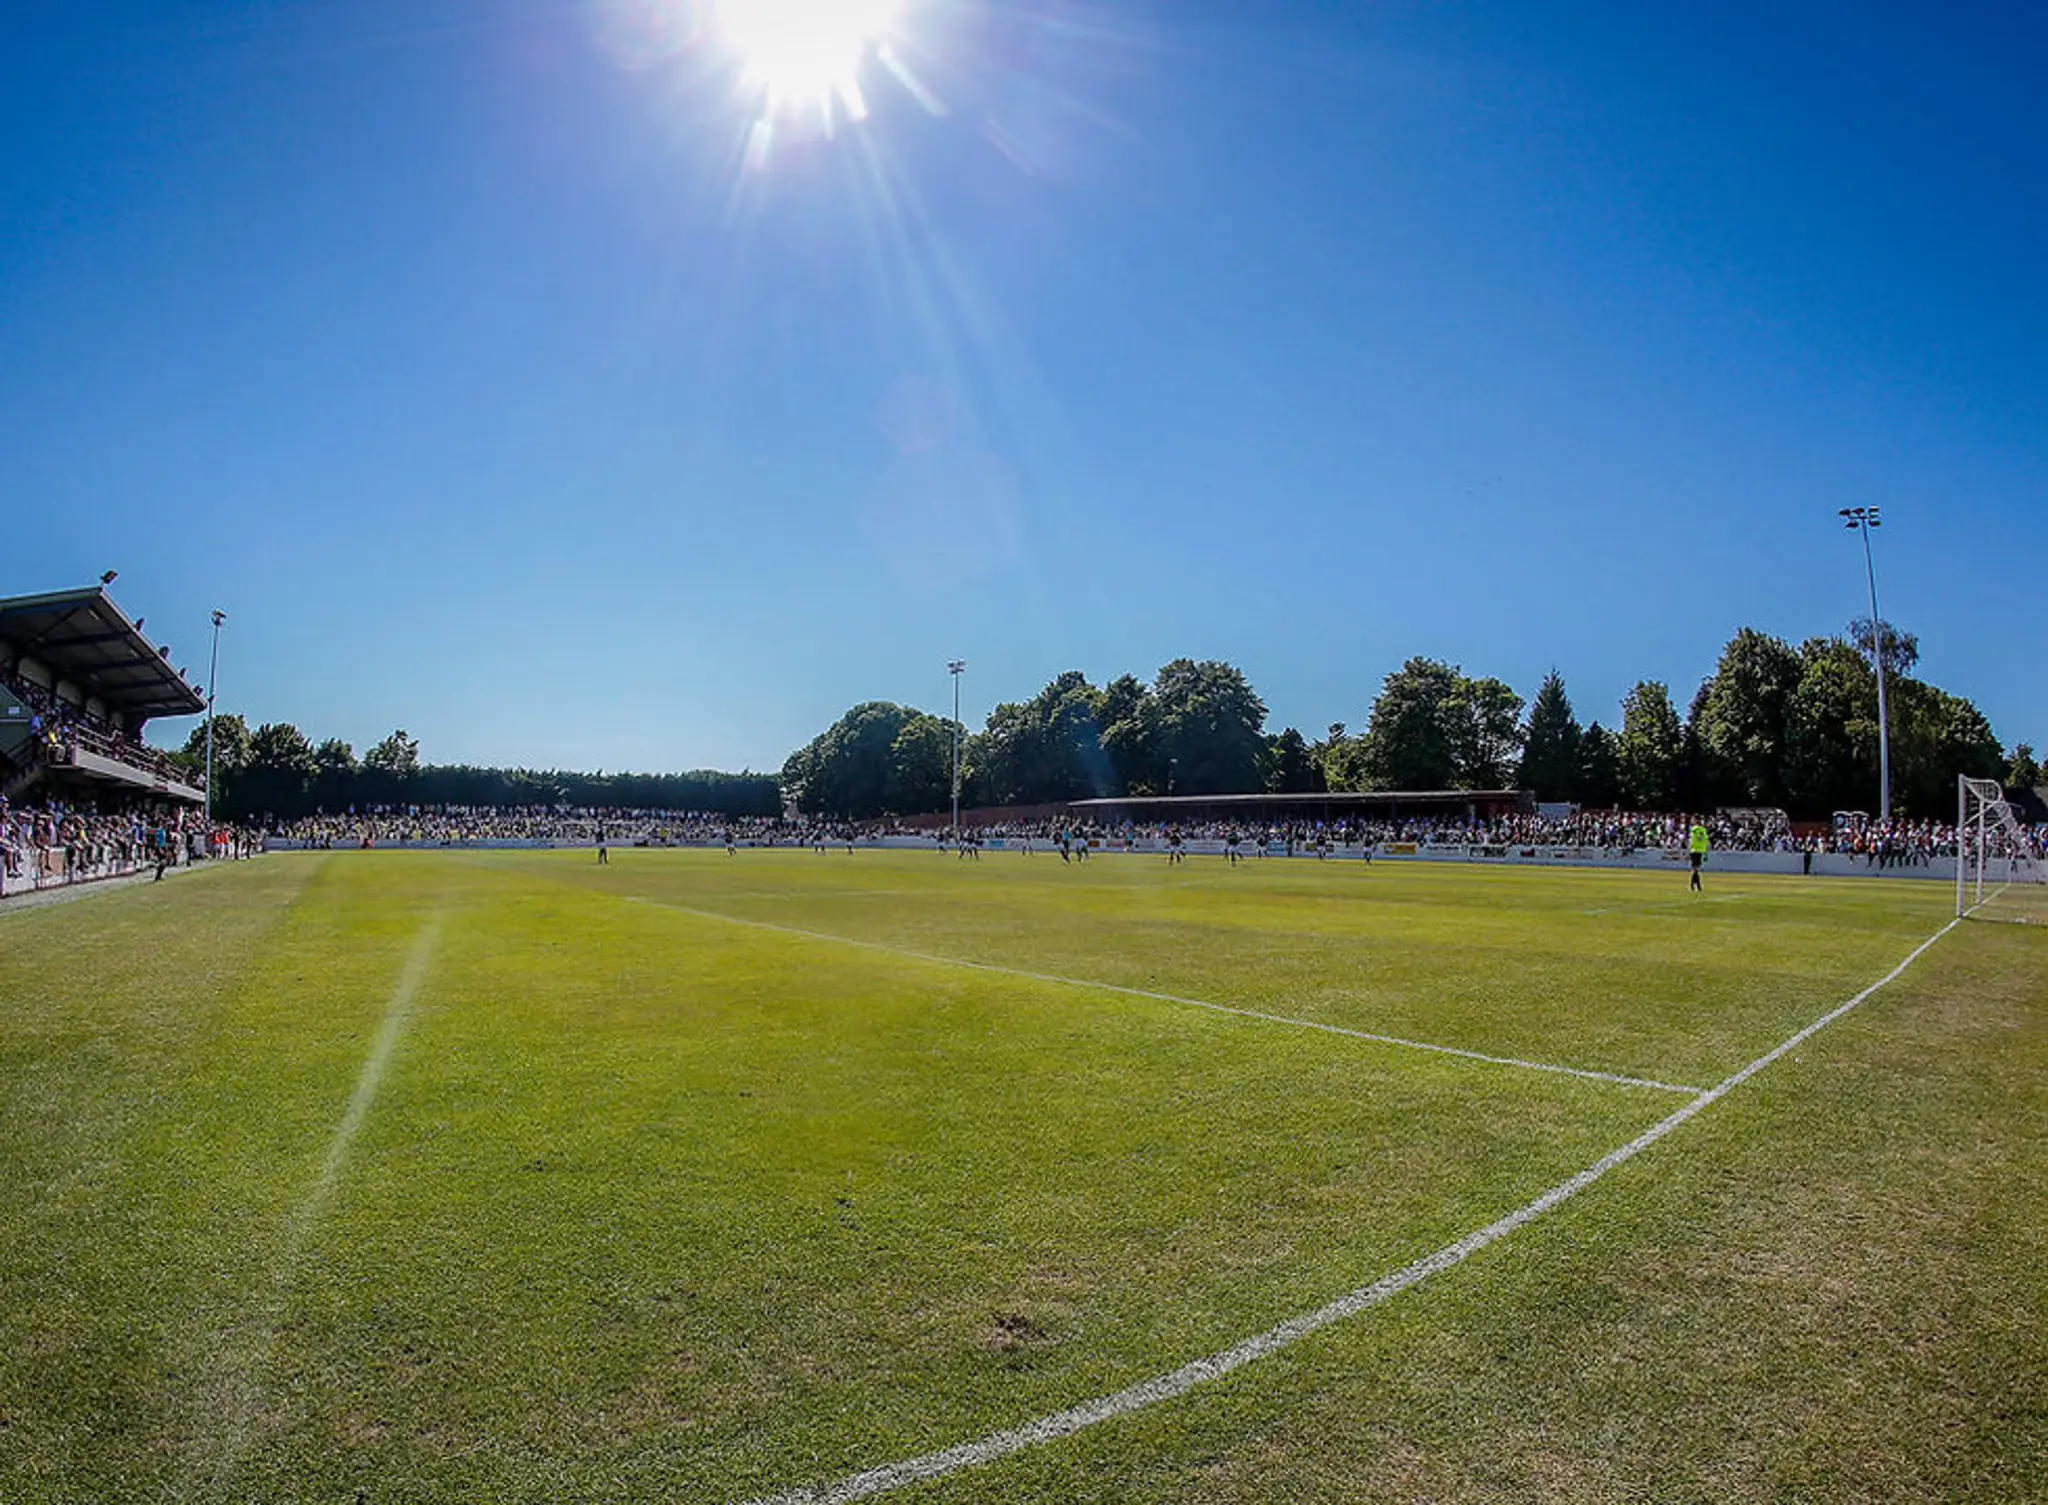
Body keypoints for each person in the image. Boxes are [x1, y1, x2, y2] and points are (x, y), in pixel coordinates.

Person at [1688, 819, 1709, 892]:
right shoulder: (1704, 830)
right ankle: (1698, 886)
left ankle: (1693, 886)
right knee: (1696, 869)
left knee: (1694, 869)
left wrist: (1689, 849)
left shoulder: (1693, 830)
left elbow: (1691, 840)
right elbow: (1706, 841)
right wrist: (1706, 853)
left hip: (1694, 850)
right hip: (1701, 851)